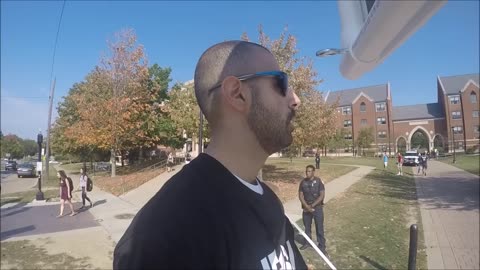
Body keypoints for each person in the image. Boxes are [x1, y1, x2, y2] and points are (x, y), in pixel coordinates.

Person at [113, 40, 306, 269]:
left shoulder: (269, 200)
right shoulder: (166, 237)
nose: (295, 100)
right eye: (281, 83)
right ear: (237, 94)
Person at [298, 165, 327, 255]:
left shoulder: (319, 182)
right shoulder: (303, 182)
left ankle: (321, 246)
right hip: (306, 209)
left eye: (310, 171)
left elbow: (322, 195)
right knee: (307, 227)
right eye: (306, 171)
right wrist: (307, 207)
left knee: (319, 228)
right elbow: (300, 195)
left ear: (313, 172)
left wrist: (312, 206)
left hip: (317, 208)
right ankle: (307, 243)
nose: (307, 173)